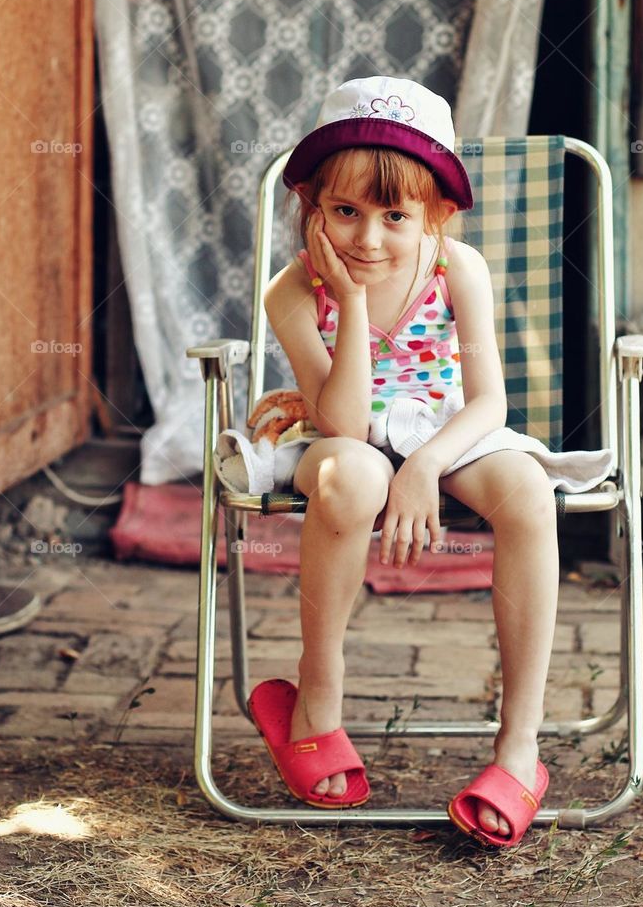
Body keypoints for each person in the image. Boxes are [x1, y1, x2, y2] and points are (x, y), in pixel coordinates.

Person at [217, 76, 613, 849]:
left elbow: (488, 403)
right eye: (345, 212)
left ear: (434, 214)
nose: (367, 239)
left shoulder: (456, 268)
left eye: (395, 215)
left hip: (443, 428)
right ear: (312, 207)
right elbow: (338, 419)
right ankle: (315, 702)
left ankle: (519, 747)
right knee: (354, 473)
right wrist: (353, 304)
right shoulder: (293, 291)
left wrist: (426, 465)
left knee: (527, 490)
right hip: (338, 429)